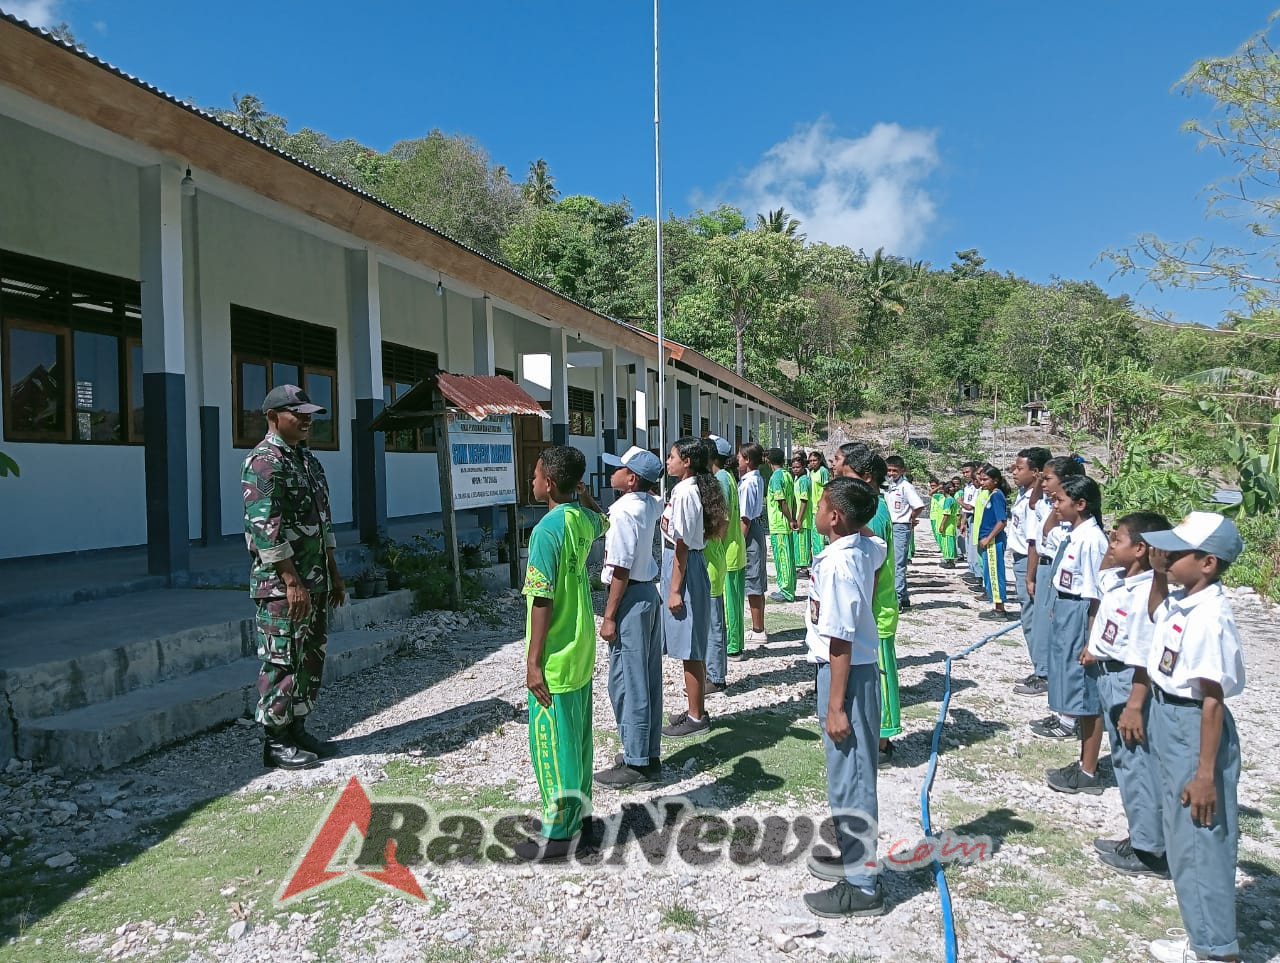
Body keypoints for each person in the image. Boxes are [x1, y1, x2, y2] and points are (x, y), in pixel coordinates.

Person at [1137, 512, 1246, 963]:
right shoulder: (1185, 600)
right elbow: (1155, 613)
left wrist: (1205, 774)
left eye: (1176, 553)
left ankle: (1217, 951)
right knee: (1181, 835)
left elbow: (1212, 700)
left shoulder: (1211, 616)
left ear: (1208, 563)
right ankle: (1201, 936)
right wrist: (1160, 573)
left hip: (1194, 725)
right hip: (1169, 716)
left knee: (1200, 837)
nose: (1165, 557)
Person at [242, 384, 346, 771]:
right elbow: (265, 528)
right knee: (282, 659)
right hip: (281, 586)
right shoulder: (263, 462)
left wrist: (334, 573)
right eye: (296, 414)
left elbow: (323, 523)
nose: (306, 420)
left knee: (310, 657)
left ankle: (297, 726)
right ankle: (275, 740)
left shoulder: (307, 460)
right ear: (273, 417)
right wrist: (291, 581)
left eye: (308, 414)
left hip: (314, 579)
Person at [800, 477, 888, 919]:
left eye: (820, 506)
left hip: (846, 677)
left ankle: (863, 886)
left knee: (852, 778)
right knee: (844, 775)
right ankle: (854, 857)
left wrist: (835, 706)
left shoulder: (838, 564)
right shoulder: (862, 548)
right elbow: (878, 542)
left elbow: (840, 640)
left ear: (834, 517)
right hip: (850, 673)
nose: (813, 512)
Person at [519, 446, 607, 860]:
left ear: (549, 483)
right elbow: (603, 519)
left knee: (551, 745)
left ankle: (557, 835)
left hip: (555, 656)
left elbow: (541, 598)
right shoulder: (582, 520)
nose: (531, 480)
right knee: (578, 740)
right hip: (582, 648)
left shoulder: (546, 531)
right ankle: (582, 820)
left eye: (536, 474)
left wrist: (533, 662)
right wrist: (584, 495)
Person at [1088, 512, 1173, 878]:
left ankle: (1149, 848)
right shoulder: (1121, 580)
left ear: (1141, 548)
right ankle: (1140, 835)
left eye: (1117, 539)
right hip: (1110, 674)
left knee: (1136, 762)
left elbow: (1144, 656)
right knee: (1125, 760)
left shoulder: (1147, 596)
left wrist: (1135, 706)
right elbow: (1104, 574)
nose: (1110, 544)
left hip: (1128, 681)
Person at [594, 446, 665, 789]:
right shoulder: (649, 503)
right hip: (648, 593)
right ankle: (648, 753)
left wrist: (609, 616)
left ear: (631, 479)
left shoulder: (624, 511)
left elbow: (619, 569)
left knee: (626, 681)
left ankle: (636, 762)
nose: (613, 473)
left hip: (629, 597)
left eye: (619, 469)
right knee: (648, 678)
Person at [1038, 476, 1109, 788]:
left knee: (1085, 692)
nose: (1055, 506)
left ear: (1080, 504)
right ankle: (1082, 760)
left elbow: (1096, 595)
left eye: (1060, 501)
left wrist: (1092, 641)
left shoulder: (1093, 540)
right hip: (1067, 609)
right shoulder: (1074, 534)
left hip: (1082, 614)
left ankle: (1089, 770)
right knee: (1070, 687)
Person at [661, 437, 728, 738]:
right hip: (683, 567)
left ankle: (696, 717)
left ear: (686, 461)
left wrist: (675, 590)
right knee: (690, 646)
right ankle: (694, 707)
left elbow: (682, 545)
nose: (668, 461)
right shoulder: (688, 489)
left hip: (684, 570)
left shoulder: (686, 493)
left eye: (672, 456)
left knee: (690, 648)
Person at [844, 449, 901, 767]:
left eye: (847, 473)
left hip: (876, 611)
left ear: (866, 479)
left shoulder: (874, 515)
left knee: (880, 674)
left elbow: (873, 568)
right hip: (868, 610)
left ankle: (882, 741)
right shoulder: (867, 509)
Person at [1023, 454, 1086, 721]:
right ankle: (1048, 679)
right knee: (1041, 627)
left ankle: (1060, 698)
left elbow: (1047, 533)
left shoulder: (1073, 517)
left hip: (1062, 576)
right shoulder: (1051, 505)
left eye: (1048, 479)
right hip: (1049, 567)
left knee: (1059, 638)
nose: (1043, 483)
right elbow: (1039, 525)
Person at [1011, 447, 1052, 695]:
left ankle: (1044, 672)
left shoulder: (1034, 501)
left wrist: (1030, 575)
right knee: (1029, 619)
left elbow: (1033, 541)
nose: (1014, 472)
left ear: (1036, 472)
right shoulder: (1025, 495)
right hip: (1022, 559)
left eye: (1019, 468)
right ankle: (1040, 668)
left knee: (1033, 620)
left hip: (1029, 560)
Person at [707, 436, 745, 686]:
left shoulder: (720, 479)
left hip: (726, 551)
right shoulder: (728, 476)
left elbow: (723, 519)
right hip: (733, 548)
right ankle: (735, 644)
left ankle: (732, 647)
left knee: (726, 608)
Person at [736, 442, 769, 655]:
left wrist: (739, 541)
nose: (736, 460)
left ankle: (758, 628)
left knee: (753, 578)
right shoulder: (753, 478)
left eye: (739, 457)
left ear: (747, 460)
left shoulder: (749, 483)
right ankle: (758, 626)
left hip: (750, 531)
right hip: (753, 528)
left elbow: (745, 517)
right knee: (753, 577)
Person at [973, 463, 1014, 621]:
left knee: (995, 574)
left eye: (985, 480)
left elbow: (1001, 521)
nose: (982, 482)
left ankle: (1000, 608)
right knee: (989, 574)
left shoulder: (997, 496)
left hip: (993, 541)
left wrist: (988, 538)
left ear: (995, 480)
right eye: (981, 479)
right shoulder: (990, 494)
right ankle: (996, 605)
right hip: (987, 540)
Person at [885, 455, 925, 610]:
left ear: (902, 470)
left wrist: (911, 518)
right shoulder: (887, 483)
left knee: (898, 563)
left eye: (895, 470)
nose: (891, 473)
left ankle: (899, 598)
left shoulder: (906, 486)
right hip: (889, 524)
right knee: (889, 561)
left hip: (901, 526)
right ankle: (904, 596)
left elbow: (918, 506)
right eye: (889, 470)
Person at [766, 447, 799, 603]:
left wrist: (790, 518)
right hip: (786, 522)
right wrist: (793, 517)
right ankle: (791, 587)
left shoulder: (776, 477)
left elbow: (782, 501)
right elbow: (792, 499)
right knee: (789, 556)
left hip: (779, 523)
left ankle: (786, 591)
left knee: (782, 557)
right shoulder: (787, 474)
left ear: (768, 460)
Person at [807, 450, 832, 558]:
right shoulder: (811, 472)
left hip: (819, 507)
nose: (813, 463)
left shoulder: (823, 471)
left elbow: (827, 488)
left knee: (819, 535)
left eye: (815, 460)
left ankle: (821, 557)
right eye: (811, 461)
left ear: (819, 460)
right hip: (811, 507)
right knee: (814, 535)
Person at [792, 454, 813, 577]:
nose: (795, 469)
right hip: (798, 516)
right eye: (793, 467)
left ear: (803, 467)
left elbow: (804, 500)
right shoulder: (798, 479)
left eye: (798, 467)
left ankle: (804, 568)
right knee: (798, 542)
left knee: (802, 543)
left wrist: (799, 519)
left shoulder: (804, 480)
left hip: (803, 518)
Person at [938, 480, 959, 569]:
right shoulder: (953, 499)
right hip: (951, 524)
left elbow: (946, 513)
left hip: (948, 525)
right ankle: (951, 560)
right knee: (951, 542)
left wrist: (942, 525)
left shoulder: (948, 500)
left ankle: (949, 561)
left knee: (947, 543)